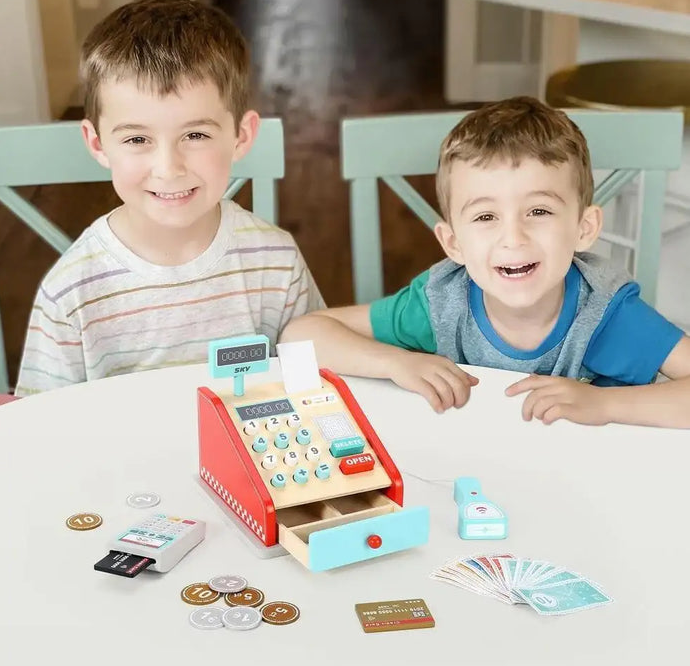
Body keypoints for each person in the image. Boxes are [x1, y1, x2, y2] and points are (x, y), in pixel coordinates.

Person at [282, 96, 690, 428]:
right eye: (485, 217)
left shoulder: (605, 316)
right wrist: (395, 361)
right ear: (453, 242)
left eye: (540, 211)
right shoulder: (442, 304)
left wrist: (605, 405)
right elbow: (301, 335)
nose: (513, 237)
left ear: (584, 228)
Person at [16, 0, 323, 396]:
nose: (169, 167)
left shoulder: (276, 261)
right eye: (137, 138)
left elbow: (309, 382)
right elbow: (41, 426)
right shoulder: (70, 293)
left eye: (195, 135)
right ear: (97, 143)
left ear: (241, 136)